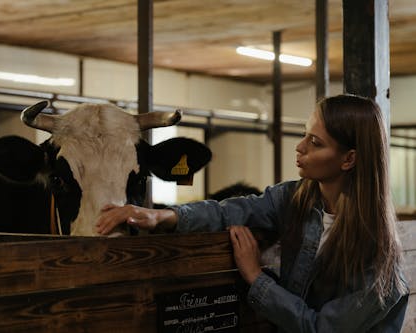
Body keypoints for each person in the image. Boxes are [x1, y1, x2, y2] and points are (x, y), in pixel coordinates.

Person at [96, 94, 409, 332]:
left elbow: (319, 328)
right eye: (304, 134)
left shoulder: (381, 262)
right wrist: (164, 216)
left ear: (348, 159)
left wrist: (256, 278)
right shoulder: (293, 197)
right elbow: (234, 210)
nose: (299, 147)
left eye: (315, 142)